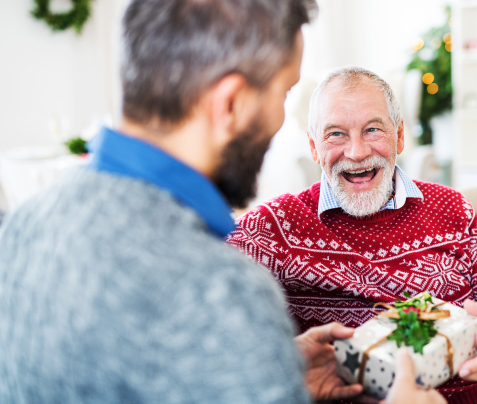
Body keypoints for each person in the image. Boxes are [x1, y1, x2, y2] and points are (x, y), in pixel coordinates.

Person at [0, 1, 445, 404]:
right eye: (284, 93)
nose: (278, 123)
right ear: (230, 103)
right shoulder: (221, 290)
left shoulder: (23, 225)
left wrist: (271, 369)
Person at [227, 66, 477, 404]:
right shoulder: (271, 229)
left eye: (373, 129)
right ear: (313, 146)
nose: (356, 152)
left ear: (400, 135)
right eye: (336, 134)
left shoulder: (452, 207)